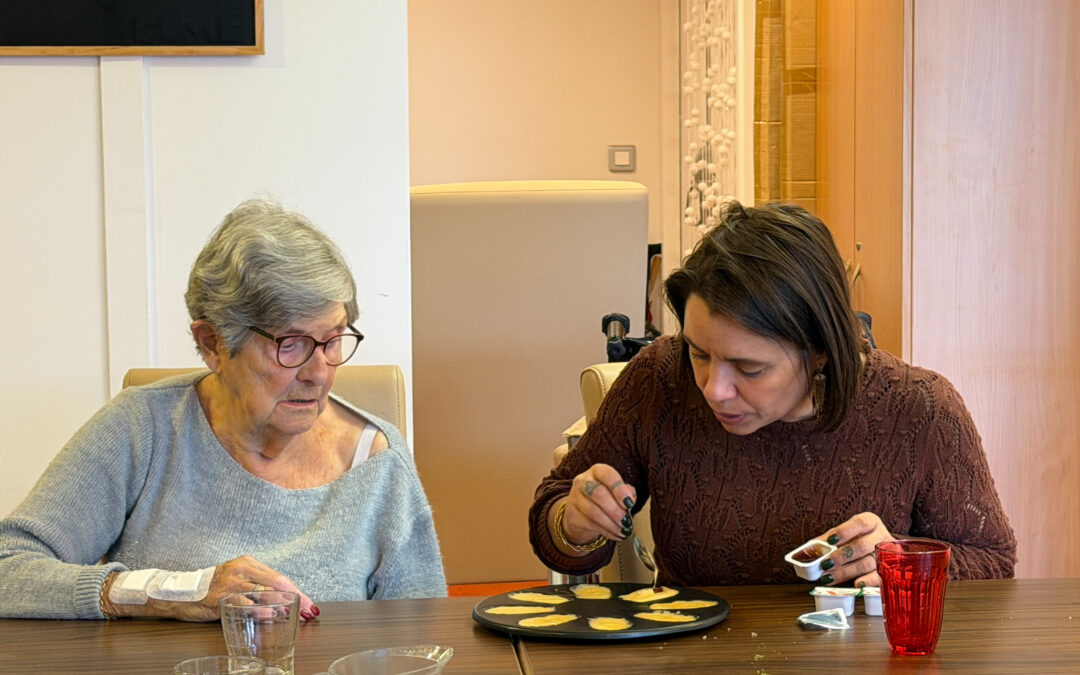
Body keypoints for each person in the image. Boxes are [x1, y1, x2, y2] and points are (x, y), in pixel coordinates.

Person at [529, 201, 1016, 588]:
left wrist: (899, 559)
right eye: (699, 353)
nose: (714, 389)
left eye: (749, 368)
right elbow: (552, 515)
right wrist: (574, 523)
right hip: (695, 660)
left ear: (821, 351)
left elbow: (995, 563)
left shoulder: (918, 410)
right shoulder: (660, 378)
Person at [0, 199, 446, 621]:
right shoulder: (145, 428)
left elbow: (423, 635)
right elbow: (8, 568)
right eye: (290, 344)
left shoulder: (378, 460)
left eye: (332, 340)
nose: (319, 372)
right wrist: (171, 592)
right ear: (212, 343)